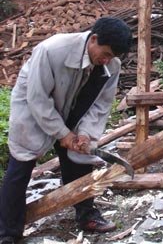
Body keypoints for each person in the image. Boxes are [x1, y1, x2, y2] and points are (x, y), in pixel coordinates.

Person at [0, 17, 133, 243]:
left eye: (113, 57)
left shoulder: (111, 65)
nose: (107, 60)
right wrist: (62, 134)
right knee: (20, 166)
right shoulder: (52, 50)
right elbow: (38, 98)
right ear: (93, 39)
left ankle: (86, 214)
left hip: (74, 104)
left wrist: (84, 135)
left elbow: (101, 104)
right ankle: (8, 234)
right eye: (106, 53)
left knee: (80, 161)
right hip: (33, 106)